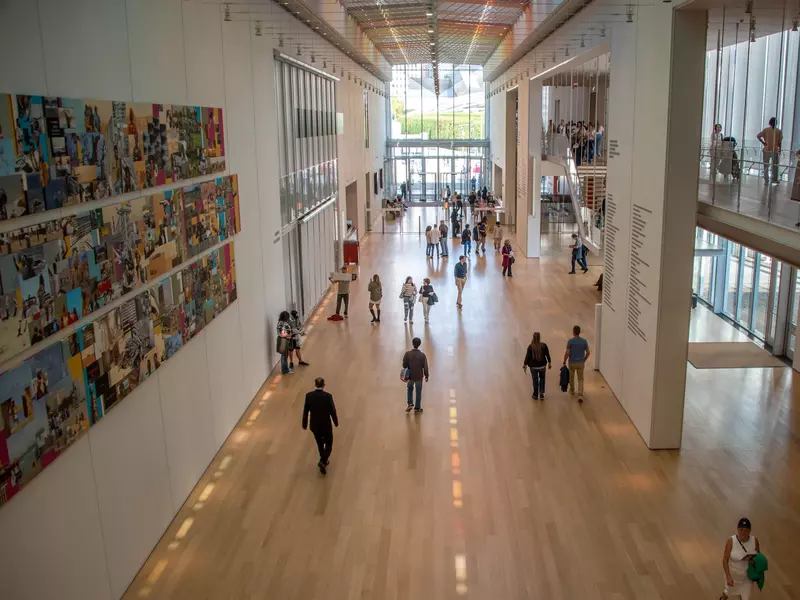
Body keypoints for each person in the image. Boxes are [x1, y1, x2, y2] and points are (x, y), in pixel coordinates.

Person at [302, 377, 339, 475]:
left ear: (315, 384)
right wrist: (335, 422)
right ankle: (323, 461)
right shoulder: (328, 396)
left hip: (314, 425)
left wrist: (304, 423)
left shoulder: (308, 396)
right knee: (329, 444)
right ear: (324, 385)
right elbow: (332, 410)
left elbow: (305, 411)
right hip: (325, 424)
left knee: (319, 443)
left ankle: (324, 460)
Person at [721, 517, 760, 600]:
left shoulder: (754, 541)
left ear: (749, 531)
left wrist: (754, 562)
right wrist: (728, 577)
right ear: (738, 529)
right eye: (741, 530)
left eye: (746, 530)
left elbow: (758, 557)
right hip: (733, 576)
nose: (743, 532)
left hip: (747, 578)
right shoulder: (731, 541)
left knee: (745, 598)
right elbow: (725, 559)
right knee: (728, 591)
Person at [563, 325, 590, 401]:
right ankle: (580, 394)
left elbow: (567, 353)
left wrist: (564, 361)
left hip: (572, 362)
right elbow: (588, 352)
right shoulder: (584, 341)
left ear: (573, 332)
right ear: (579, 332)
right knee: (580, 378)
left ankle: (572, 390)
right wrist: (584, 360)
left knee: (571, 377)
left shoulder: (570, 341)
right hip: (581, 363)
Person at [402, 337, 429, 413]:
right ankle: (417, 408)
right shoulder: (422, 355)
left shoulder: (408, 354)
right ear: (419, 344)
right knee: (418, 392)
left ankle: (410, 403)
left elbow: (404, 365)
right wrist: (427, 375)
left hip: (410, 376)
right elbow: (425, 367)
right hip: (419, 376)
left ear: (412, 344)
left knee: (410, 389)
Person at [523, 332, 551, 399]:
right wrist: (550, 362)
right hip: (542, 366)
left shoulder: (530, 347)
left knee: (535, 380)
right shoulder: (544, 345)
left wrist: (525, 364)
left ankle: (535, 394)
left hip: (533, 367)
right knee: (542, 379)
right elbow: (547, 354)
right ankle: (541, 393)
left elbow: (528, 357)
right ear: (539, 338)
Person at [757, 117, 782, 183]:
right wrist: (780, 149)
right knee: (775, 166)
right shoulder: (779, 131)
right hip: (774, 150)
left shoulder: (766, 130)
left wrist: (764, 143)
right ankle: (774, 179)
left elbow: (758, 136)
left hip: (767, 149)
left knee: (766, 165)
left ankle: (766, 180)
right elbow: (779, 142)